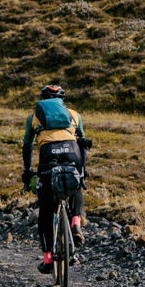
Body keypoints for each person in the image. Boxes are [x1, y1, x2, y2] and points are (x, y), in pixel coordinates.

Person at [21, 83, 90, 275]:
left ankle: (48, 259)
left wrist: (27, 170)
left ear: (43, 100)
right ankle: (75, 222)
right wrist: (82, 170)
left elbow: (27, 146)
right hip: (72, 154)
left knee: (45, 210)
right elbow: (82, 144)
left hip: (48, 157)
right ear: (62, 100)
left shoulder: (34, 117)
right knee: (75, 185)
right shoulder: (75, 115)